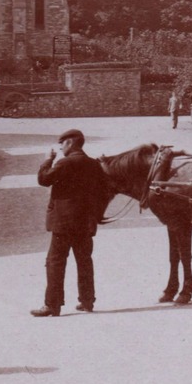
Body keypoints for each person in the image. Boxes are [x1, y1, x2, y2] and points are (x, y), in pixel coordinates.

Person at [33, 128, 113, 317]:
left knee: (55, 262)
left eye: (62, 143)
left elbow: (43, 179)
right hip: (85, 223)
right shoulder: (94, 165)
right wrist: (95, 215)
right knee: (84, 261)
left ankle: (52, 305)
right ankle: (87, 302)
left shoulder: (65, 163)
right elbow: (105, 191)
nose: (60, 147)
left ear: (70, 143)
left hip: (63, 223)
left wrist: (47, 160)